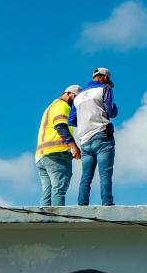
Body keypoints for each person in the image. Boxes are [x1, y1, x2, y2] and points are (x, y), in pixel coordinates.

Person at [71, 67, 118, 206]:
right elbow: (111, 111)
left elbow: (71, 120)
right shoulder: (105, 89)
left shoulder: (78, 96)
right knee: (105, 174)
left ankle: (82, 204)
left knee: (86, 177)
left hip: (84, 140)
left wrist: (85, 119)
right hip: (102, 134)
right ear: (105, 77)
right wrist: (115, 108)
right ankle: (107, 203)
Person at [35, 85, 81, 206]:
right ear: (69, 94)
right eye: (76, 98)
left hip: (42, 156)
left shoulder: (51, 106)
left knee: (48, 192)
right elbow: (60, 126)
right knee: (59, 189)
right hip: (56, 155)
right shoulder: (62, 105)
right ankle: (56, 221)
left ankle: (44, 222)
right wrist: (74, 146)